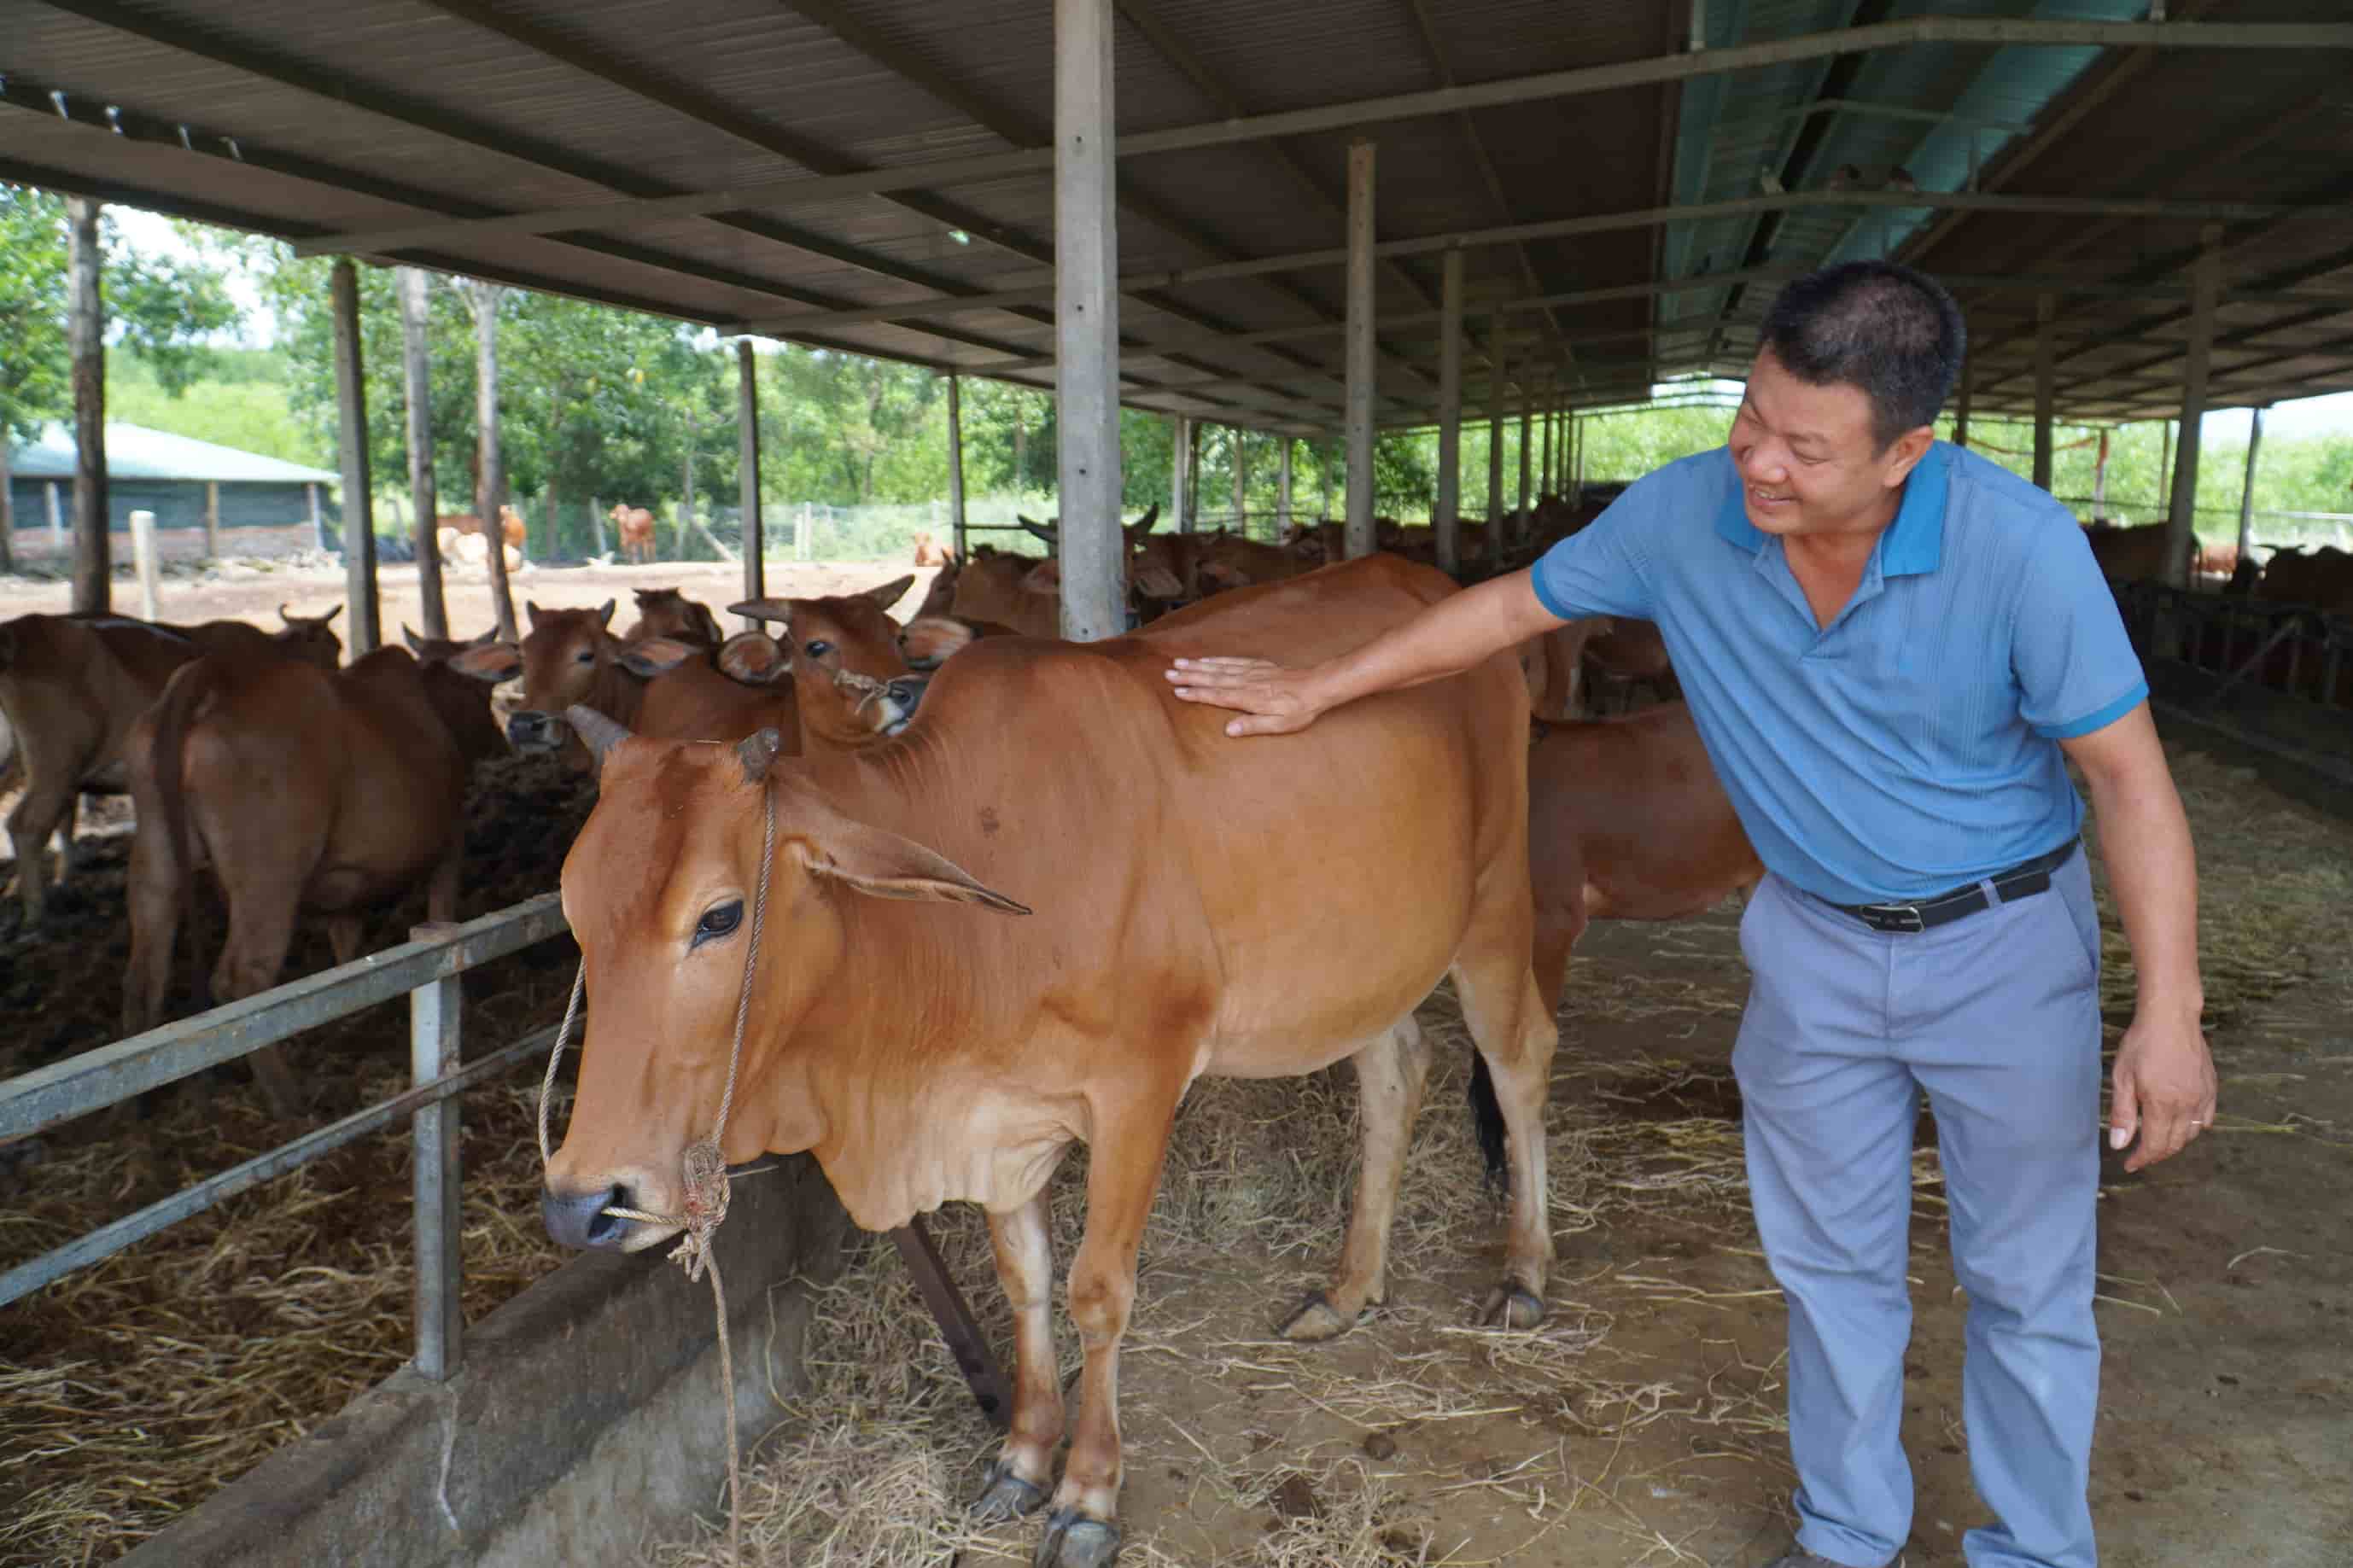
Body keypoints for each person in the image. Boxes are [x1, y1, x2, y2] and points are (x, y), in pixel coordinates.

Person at [1165, 259, 2216, 1568]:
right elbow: (1507, 607)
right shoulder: (1687, 515)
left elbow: (2129, 778)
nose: (1760, 464)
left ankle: (2038, 1551)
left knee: (2026, 1282)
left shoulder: (2020, 549)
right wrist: (1324, 685)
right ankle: (1846, 1536)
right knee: (1832, 1273)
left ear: (1907, 453)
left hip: (2003, 946)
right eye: (1751, 419)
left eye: (1803, 447)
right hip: (1814, 945)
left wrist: (2168, 1008)